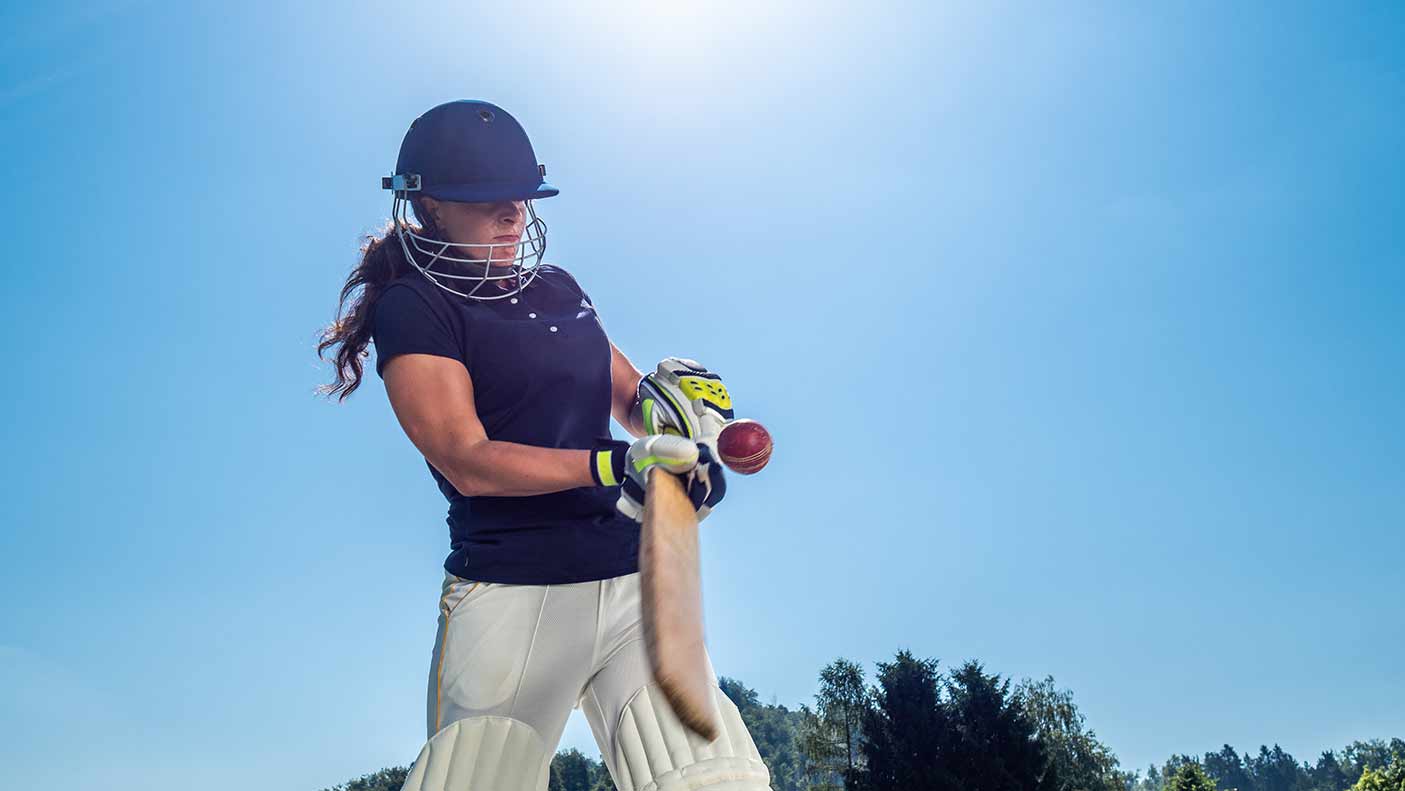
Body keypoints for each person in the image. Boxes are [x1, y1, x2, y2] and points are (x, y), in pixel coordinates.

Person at [318, 99, 772, 791]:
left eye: (521, 200)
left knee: (714, 781)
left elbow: (629, 400)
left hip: (631, 585)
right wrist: (614, 465)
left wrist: (687, 432)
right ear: (431, 205)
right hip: (511, 598)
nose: (514, 215)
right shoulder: (414, 306)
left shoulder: (559, 288)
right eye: (489, 202)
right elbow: (465, 458)